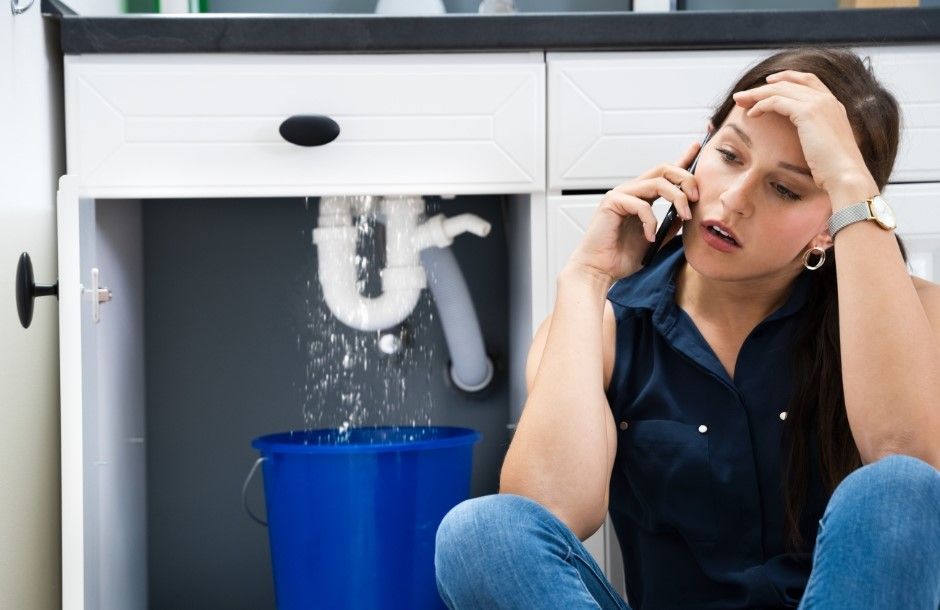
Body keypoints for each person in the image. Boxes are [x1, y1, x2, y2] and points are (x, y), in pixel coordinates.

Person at [434, 46, 940, 609]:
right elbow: (543, 515)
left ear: (829, 225)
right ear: (699, 149)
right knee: (480, 533)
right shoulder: (604, 327)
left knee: (898, 488)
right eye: (729, 154)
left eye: (786, 188)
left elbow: (911, 468)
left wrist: (849, 180)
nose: (735, 197)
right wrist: (586, 278)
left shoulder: (917, 316)